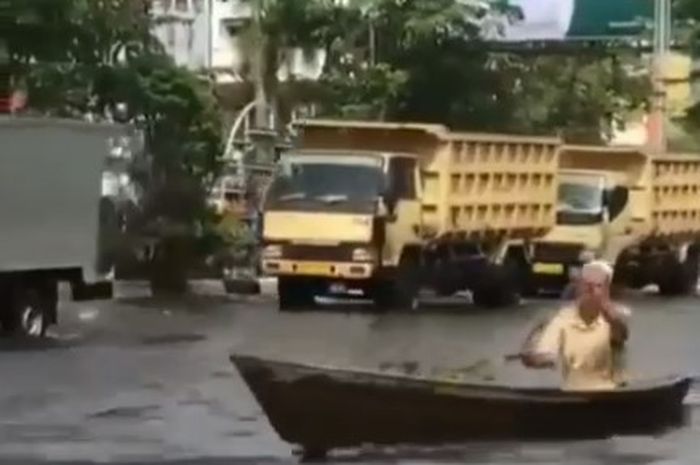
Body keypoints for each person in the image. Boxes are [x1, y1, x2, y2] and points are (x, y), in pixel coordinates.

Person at [519, 260, 631, 391]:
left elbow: (621, 335)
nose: (592, 292)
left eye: (598, 286)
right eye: (588, 287)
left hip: (612, 390)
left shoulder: (618, 314)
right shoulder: (561, 318)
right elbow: (539, 350)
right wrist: (537, 357)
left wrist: (609, 316)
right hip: (575, 390)